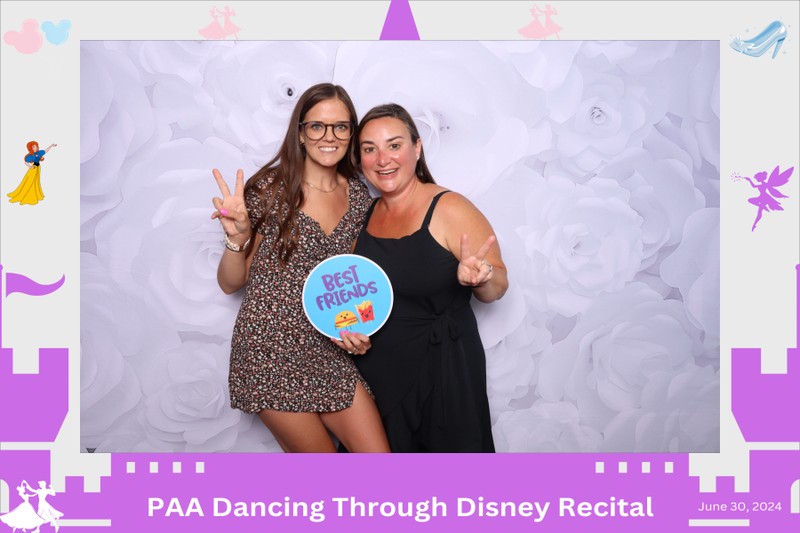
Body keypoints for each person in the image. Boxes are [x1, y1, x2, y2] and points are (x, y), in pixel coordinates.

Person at [211, 83, 389, 453]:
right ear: (301, 133)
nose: (330, 137)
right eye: (317, 126)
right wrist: (238, 237)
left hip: (328, 347)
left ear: (351, 134)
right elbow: (231, 283)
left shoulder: (359, 196)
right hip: (269, 351)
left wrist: (356, 330)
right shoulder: (271, 190)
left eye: (341, 126)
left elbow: (349, 282)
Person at [350, 103, 509, 452]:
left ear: (417, 148)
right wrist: (346, 332)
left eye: (394, 145)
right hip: (380, 374)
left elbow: (498, 286)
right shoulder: (364, 216)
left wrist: (480, 278)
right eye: (369, 149)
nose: (383, 159)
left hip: (444, 373)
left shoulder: (450, 208)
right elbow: (356, 299)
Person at [8, 141, 57, 205]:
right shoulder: (30, 155)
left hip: (38, 168)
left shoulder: (39, 153)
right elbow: (26, 162)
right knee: (29, 182)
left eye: (36, 146)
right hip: (33, 169)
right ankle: (26, 195)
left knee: (36, 181)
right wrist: (30, 166)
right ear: (30, 148)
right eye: (34, 147)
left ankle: (35, 193)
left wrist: (51, 145)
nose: (36, 148)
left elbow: (45, 151)